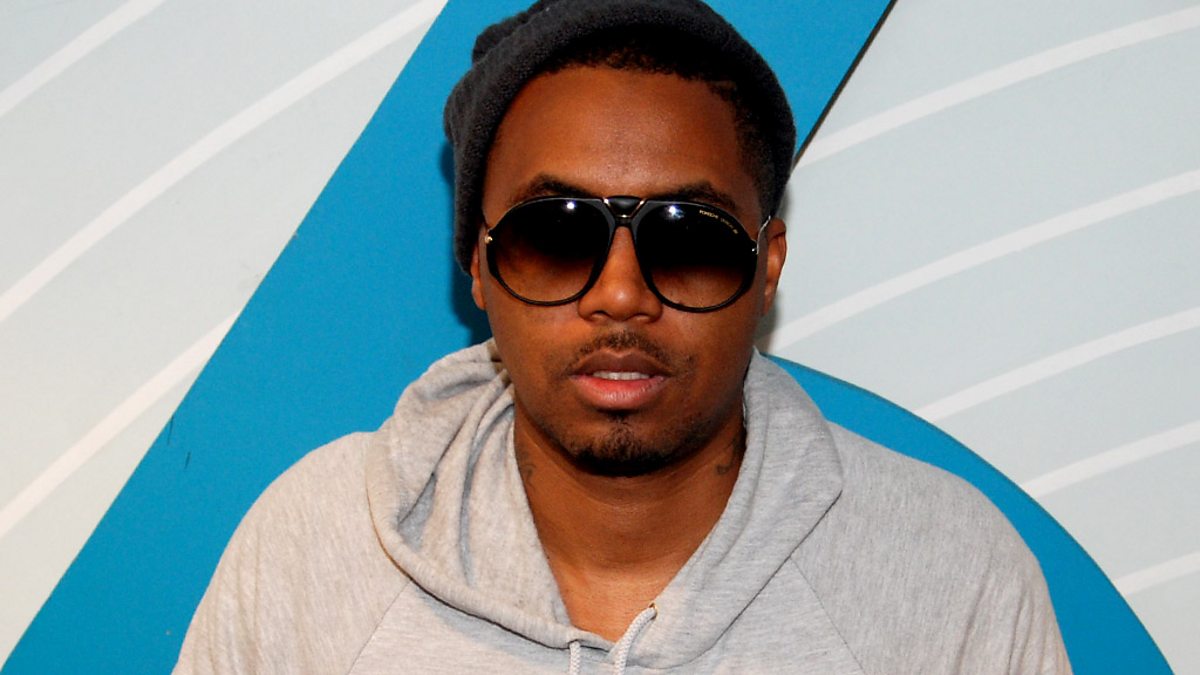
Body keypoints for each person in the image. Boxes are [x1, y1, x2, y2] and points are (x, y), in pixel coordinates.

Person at [175, 0, 1071, 672]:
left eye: (688, 238)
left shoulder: (950, 574)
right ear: (477, 265)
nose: (620, 294)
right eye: (554, 234)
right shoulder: (318, 546)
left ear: (767, 266)